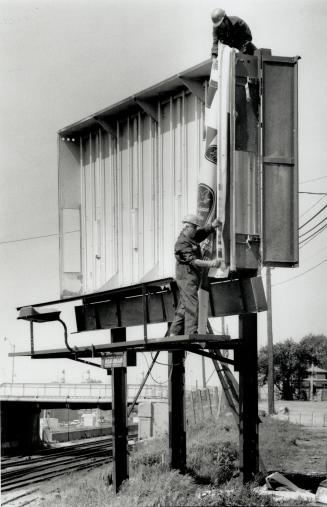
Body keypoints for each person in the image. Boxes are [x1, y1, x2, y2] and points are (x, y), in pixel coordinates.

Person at [169, 214, 221, 336]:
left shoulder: (191, 237)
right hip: (186, 278)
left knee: (184, 305)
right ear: (187, 227)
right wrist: (211, 263)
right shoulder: (181, 244)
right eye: (194, 227)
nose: (196, 230)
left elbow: (201, 233)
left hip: (191, 278)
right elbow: (193, 261)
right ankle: (191, 332)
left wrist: (212, 226)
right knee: (192, 303)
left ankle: (174, 332)